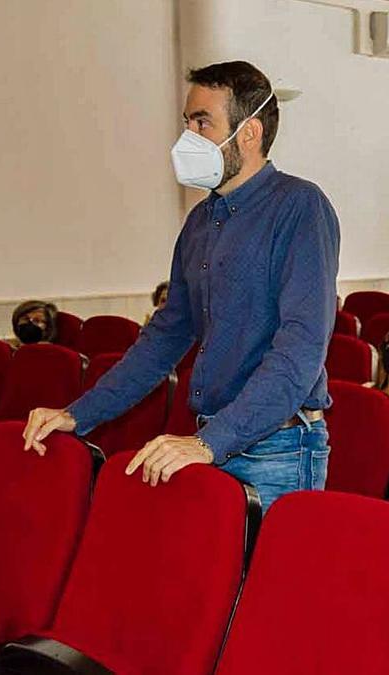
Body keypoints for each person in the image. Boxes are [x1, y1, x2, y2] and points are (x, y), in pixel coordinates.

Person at [21, 61, 341, 512]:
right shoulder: (200, 221)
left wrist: (209, 443)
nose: (188, 136)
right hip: (214, 436)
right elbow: (165, 337)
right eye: (187, 122)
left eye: (202, 122)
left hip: (277, 448)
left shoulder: (299, 206)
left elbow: (301, 350)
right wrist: (78, 414)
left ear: (248, 133)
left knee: (270, 581)